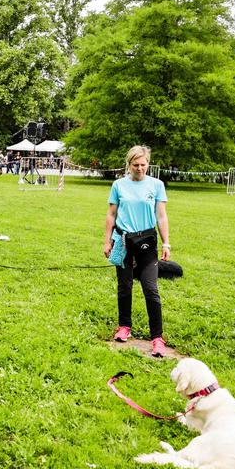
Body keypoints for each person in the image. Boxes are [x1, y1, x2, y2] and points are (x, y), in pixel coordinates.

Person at [103, 145, 171, 357]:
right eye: (136, 165)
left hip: (147, 243)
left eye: (143, 165)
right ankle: (124, 327)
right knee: (124, 286)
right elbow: (111, 214)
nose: (140, 168)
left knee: (151, 289)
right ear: (129, 165)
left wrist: (166, 243)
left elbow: (161, 216)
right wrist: (107, 241)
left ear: (148, 164)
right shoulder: (118, 185)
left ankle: (157, 338)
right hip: (123, 241)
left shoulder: (157, 185)